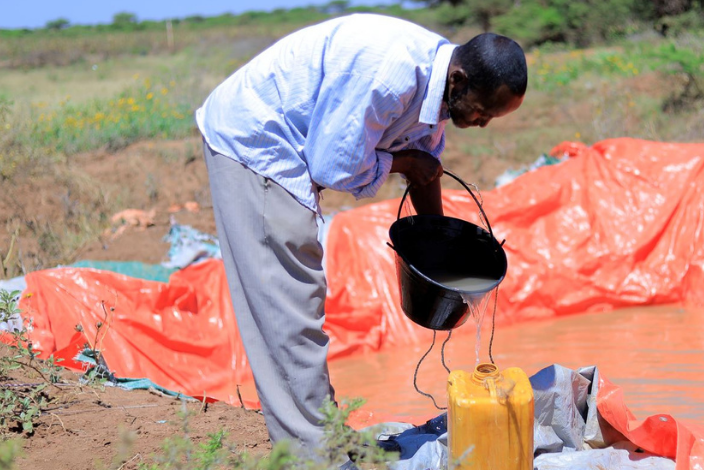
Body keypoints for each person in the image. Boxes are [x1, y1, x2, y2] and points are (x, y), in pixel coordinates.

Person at [195, 12, 527, 458]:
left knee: (299, 299)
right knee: (287, 302)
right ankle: (312, 455)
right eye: (483, 111)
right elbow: (334, 165)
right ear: (460, 80)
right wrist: (404, 165)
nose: (483, 123)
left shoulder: (441, 83)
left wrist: (439, 254)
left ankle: (325, 434)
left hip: (290, 150)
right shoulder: (391, 77)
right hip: (256, 144)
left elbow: (426, 167)